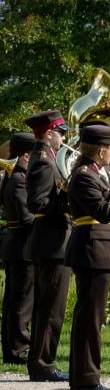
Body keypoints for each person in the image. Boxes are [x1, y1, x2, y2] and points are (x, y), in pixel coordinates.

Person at [64, 121, 110, 390]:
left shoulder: (99, 173)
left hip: (98, 250)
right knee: (89, 317)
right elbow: (103, 211)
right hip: (90, 249)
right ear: (100, 151)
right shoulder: (84, 175)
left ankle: (86, 376)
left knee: (91, 316)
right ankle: (85, 378)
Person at [24, 110, 71, 383]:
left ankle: (40, 361)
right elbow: (38, 203)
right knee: (51, 308)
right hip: (51, 242)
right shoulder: (43, 162)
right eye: (60, 132)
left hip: (51, 240)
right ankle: (43, 363)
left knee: (49, 306)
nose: (62, 137)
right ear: (49, 132)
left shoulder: (47, 158)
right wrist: (65, 196)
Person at [2, 131, 35, 365]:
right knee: (21, 302)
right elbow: (26, 217)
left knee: (17, 300)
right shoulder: (20, 180)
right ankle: (18, 348)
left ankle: (15, 347)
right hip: (22, 246)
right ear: (25, 156)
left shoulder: (17, 178)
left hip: (18, 245)